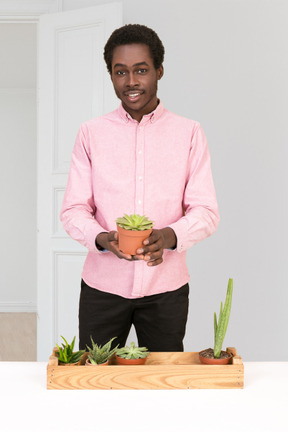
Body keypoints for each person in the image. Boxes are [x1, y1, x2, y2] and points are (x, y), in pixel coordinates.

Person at [60, 24, 220, 352]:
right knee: (96, 382)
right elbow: (74, 209)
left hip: (167, 289)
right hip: (102, 289)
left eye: (141, 70)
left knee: (162, 387)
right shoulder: (91, 133)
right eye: (121, 72)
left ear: (159, 71)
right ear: (111, 76)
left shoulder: (189, 133)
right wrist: (100, 239)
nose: (131, 82)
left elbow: (205, 211)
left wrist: (171, 236)